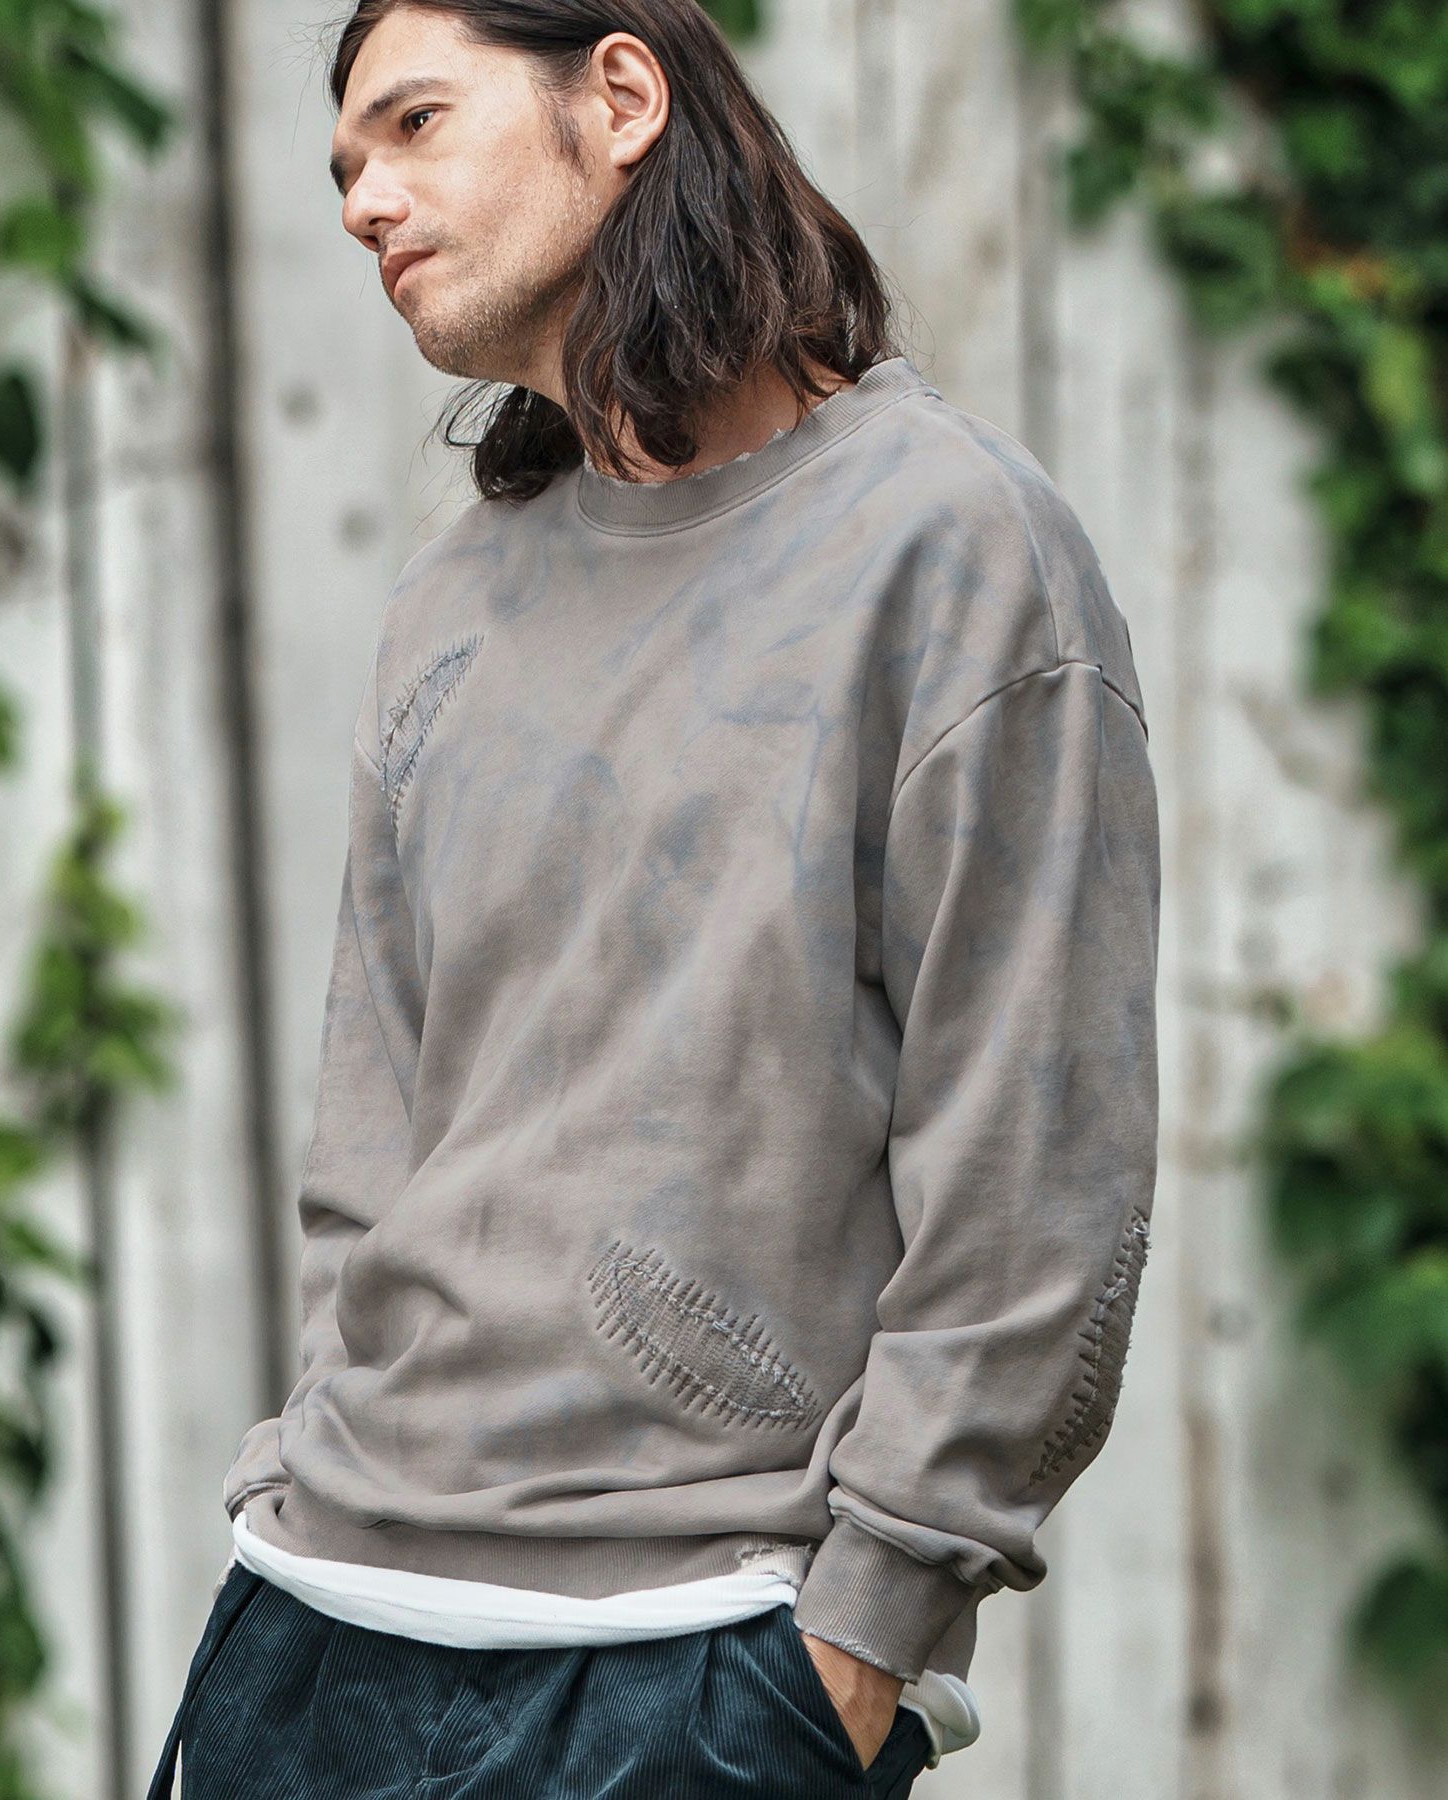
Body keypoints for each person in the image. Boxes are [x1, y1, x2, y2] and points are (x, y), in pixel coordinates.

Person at [147, 3, 1162, 1796]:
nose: (362, 196)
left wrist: (858, 1644)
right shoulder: (450, 603)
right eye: (342, 164)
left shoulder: (953, 550)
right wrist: (292, 1465)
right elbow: (374, 1135)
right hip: (312, 1633)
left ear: (619, 96)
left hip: (696, 1664)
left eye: (413, 123)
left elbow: (1040, 1180)